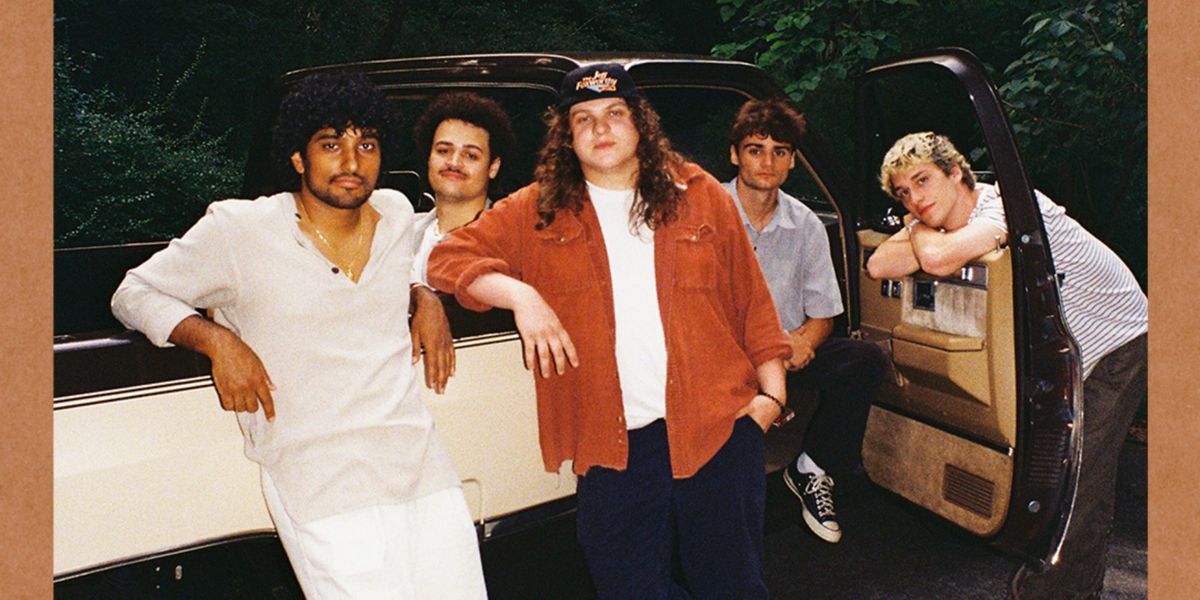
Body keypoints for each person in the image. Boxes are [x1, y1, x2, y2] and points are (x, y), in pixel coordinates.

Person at [111, 72, 486, 599]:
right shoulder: (240, 230)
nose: (352, 163)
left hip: (421, 468)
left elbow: (422, 258)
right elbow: (134, 292)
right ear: (298, 157)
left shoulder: (397, 213)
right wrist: (216, 340)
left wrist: (422, 295)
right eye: (331, 144)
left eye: (367, 145)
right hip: (322, 485)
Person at [428, 63, 791, 599]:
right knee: (625, 587)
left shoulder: (699, 193)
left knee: (732, 587)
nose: (601, 128)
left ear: (640, 122)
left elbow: (752, 301)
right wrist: (522, 296)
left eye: (615, 113)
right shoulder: (539, 209)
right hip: (614, 445)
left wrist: (771, 399)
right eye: (584, 118)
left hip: (717, 429)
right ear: (567, 136)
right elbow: (447, 258)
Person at [867, 132, 1147, 600]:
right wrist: (921, 229)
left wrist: (914, 228)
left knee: (1078, 477)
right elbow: (878, 265)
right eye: (903, 193)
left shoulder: (1006, 204)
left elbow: (935, 258)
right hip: (1063, 352)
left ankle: (1058, 592)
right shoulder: (944, 220)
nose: (914, 198)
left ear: (956, 173)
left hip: (1117, 342)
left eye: (922, 180)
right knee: (1061, 471)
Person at [723, 98, 887, 544]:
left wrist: (805, 342)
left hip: (784, 353)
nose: (767, 162)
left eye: (779, 151)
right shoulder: (704, 212)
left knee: (863, 360)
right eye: (755, 150)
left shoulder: (807, 224)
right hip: (723, 358)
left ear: (793, 161)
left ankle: (813, 466)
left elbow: (823, 315)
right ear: (735, 154)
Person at [410, 92, 516, 286]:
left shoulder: (512, 244)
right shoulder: (401, 233)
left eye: (470, 155)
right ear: (428, 158)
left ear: (493, 167)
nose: (454, 162)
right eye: (443, 151)